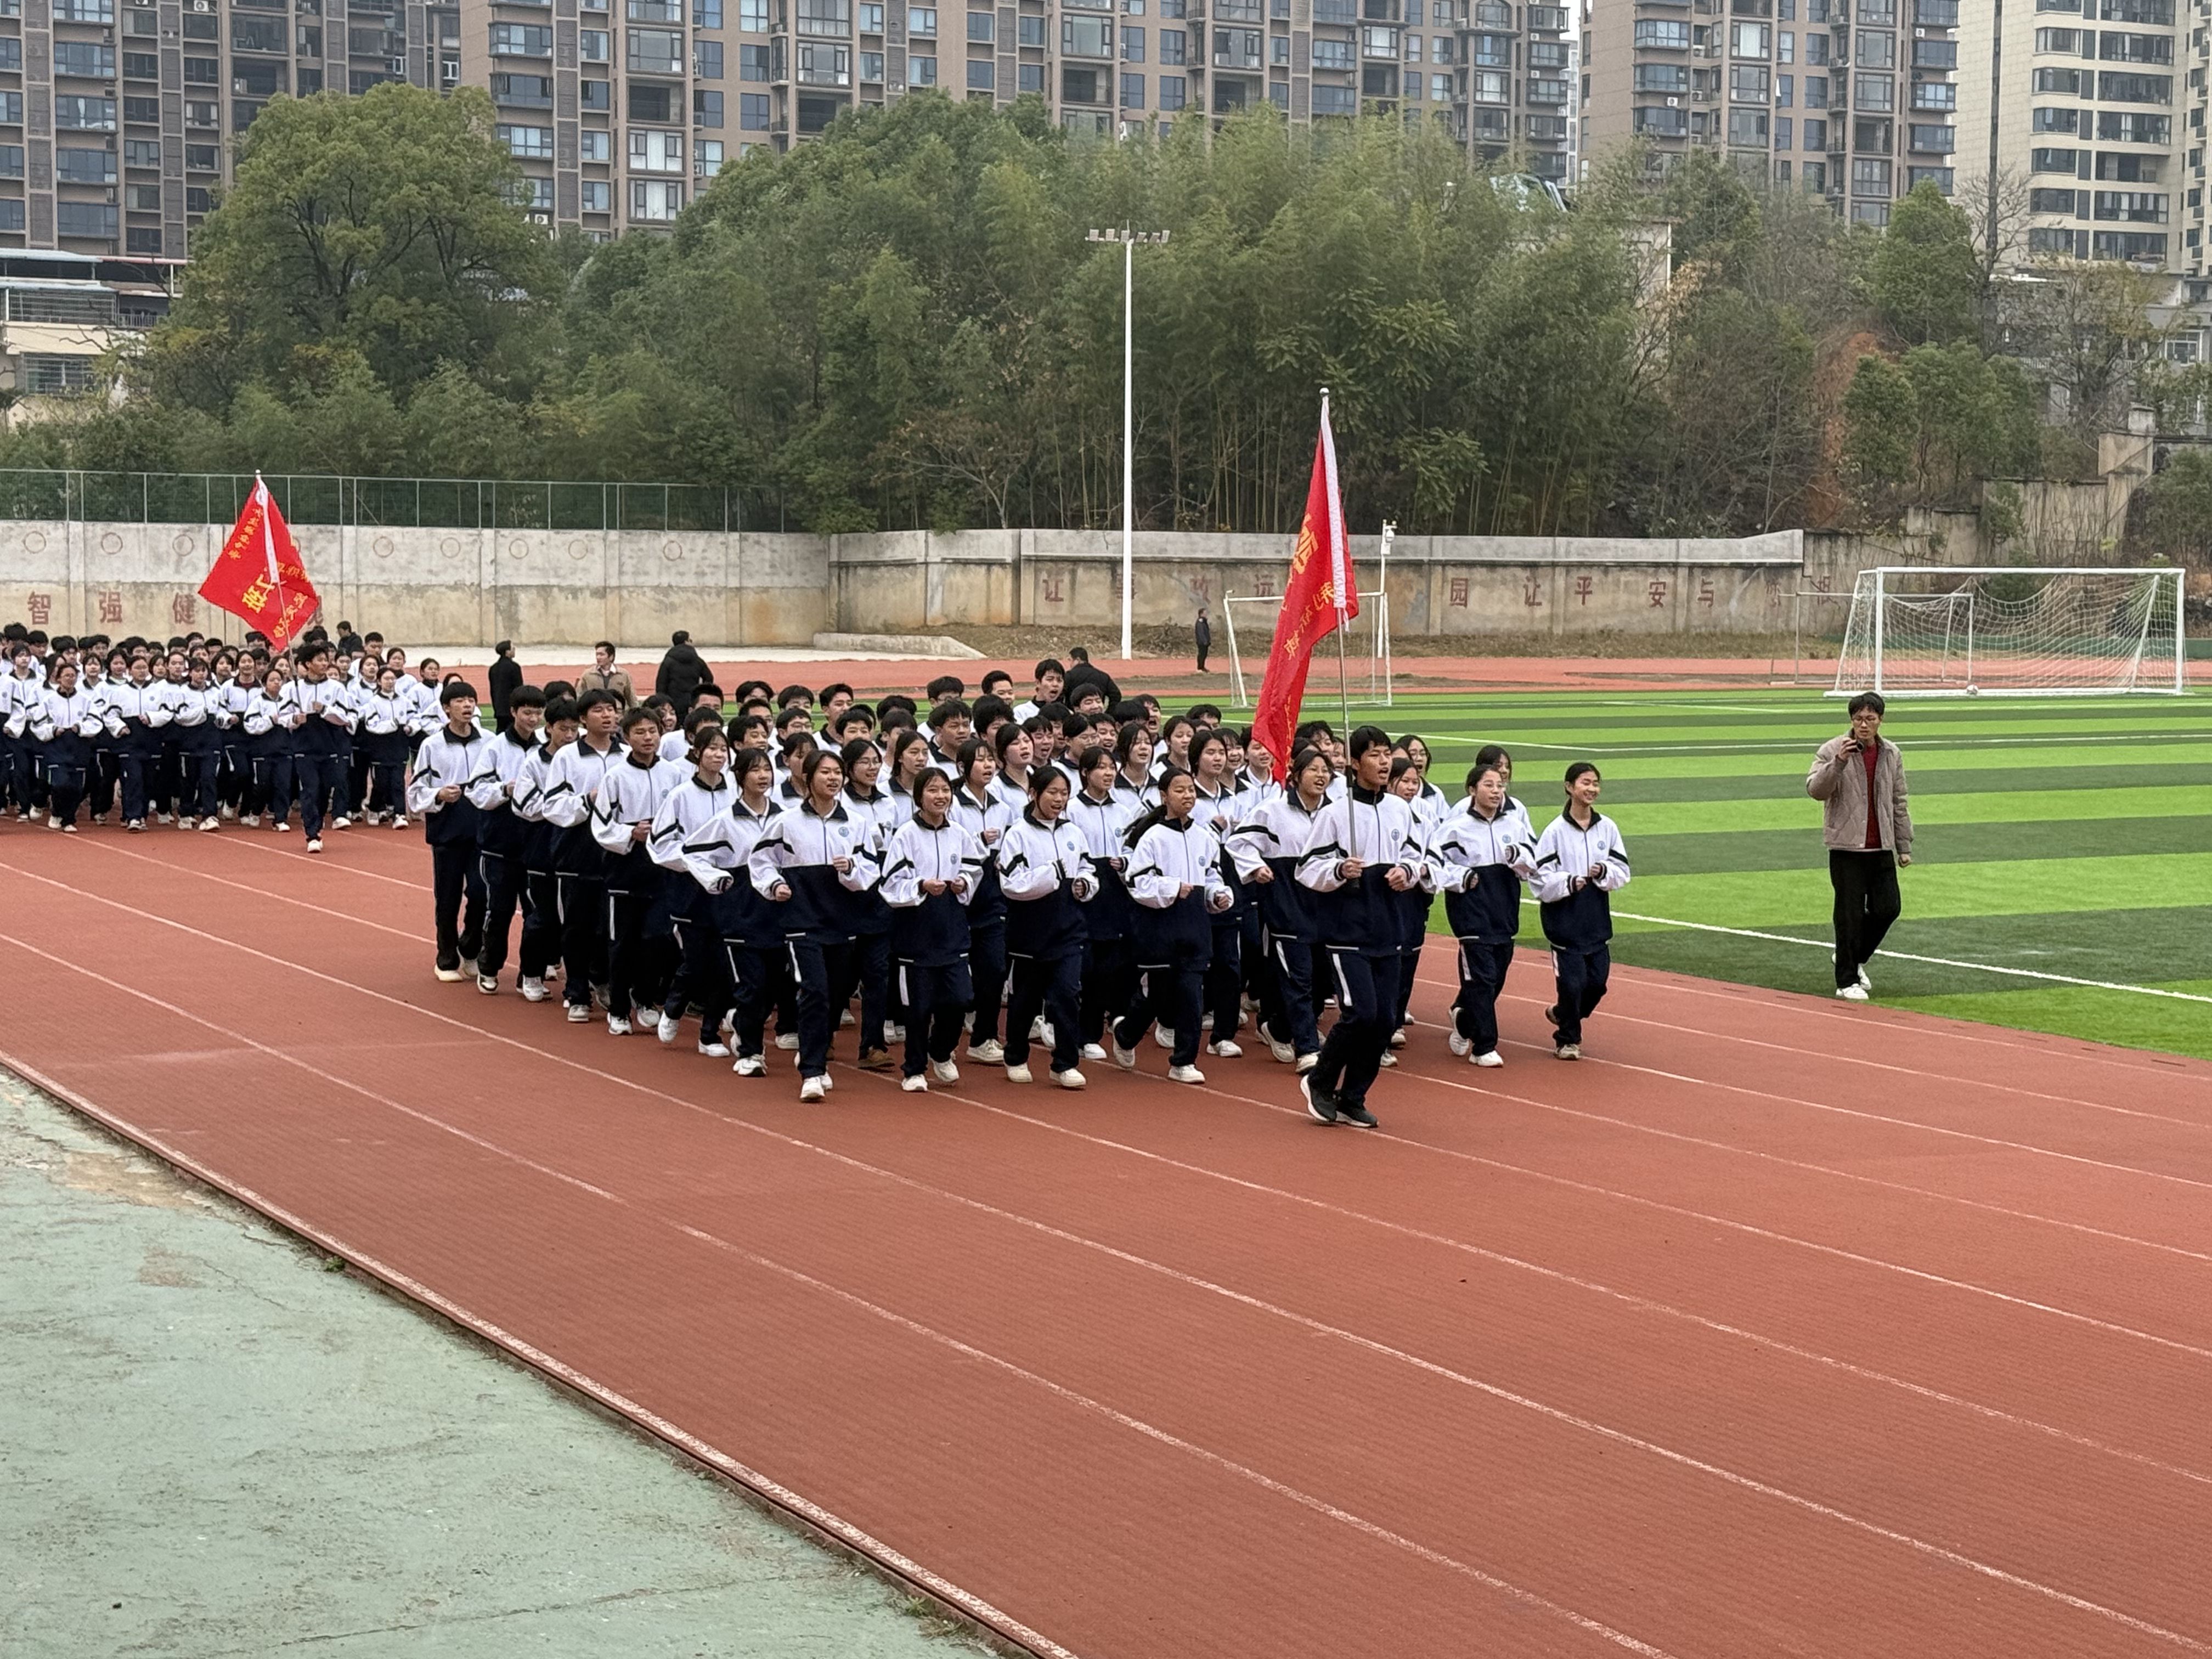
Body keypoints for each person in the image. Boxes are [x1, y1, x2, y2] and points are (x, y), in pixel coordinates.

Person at [1296, 726, 1426, 1129]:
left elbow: (1420, 856)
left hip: (1389, 928)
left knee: (1385, 1020)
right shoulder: (1336, 813)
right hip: (1347, 930)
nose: (1384, 762)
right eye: (1374, 755)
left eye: (1387, 754)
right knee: (1361, 1013)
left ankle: (1353, 1095)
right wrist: (1339, 870)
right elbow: (1307, 868)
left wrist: (1408, 871)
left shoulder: (1400, 810)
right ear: (1354, 763)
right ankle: (1319, 1080)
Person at [748, 748, 878, 1102]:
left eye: (837, 772)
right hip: (801, 921)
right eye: (825, 772)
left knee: (835, 994)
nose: (833, 779)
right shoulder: (787, 821)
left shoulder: (856, 823)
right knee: (815, 991)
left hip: (842, 921)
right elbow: (760, 860)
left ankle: (813, 1047)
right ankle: (813, 1071)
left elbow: (871, 869)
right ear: (808, 778)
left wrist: (852, 869)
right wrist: (775, 885)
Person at [681, 745, 787, 1076]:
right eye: (755, 770)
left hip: (779, 912)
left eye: (767, 769)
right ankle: (751, 1053)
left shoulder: (784, 817)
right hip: (741, 913)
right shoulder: (726, 820)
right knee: (750, 986)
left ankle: (742, 1022)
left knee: (774, 986)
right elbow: (692, 852)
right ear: (740, 776)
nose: (763, 776)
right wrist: (718, 880)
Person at [878, 766, 985, 1092]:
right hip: (916, 934)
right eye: (933, 790)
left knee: (961, 999)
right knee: (918, 1007)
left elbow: (974, 867)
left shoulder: (959, 833)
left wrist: (963, 881)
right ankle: (914, 1069)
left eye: (945, 790)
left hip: (952, 930)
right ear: (919, 796)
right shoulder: (906, 835)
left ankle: (940, 1050)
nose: (941, 796)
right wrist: (921, 885)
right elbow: (890, 883)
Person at [1807, 691, 1914, 1002]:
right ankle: (1846, 980)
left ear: (1881, 720)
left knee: (1888, 908)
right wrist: (1839, 762)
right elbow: (1816, 790)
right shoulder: (1832, 750)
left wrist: (1904, 844)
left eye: (1870, 719)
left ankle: (1852, 957)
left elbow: (1899, 801)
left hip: (1881, 847)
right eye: (1858, 719)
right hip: (1846, 848)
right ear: (1851, 721)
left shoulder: (1891, 754)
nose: (1864, 725)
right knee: (1849, 915)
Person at [997, 764, 1097, 1087]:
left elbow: (1087, 869)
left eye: (1064, 793)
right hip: (1030, 934)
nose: (1059, 799)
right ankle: (1016, 1056)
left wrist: (1084, 884)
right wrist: (1052, 874)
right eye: (1052, 792)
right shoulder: (1018, 834)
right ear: (1034, 794)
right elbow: (1012, 884)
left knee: (1067, 995)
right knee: (1025, 1000)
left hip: (1068, 930)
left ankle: (1065, 1063)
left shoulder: (1073, 833)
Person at [1429, 760, 1533, 1068]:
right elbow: (1435, 863)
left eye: (1500, 785)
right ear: (1472, 790)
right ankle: (1484, 1046)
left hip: (1504, 912)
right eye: (1489, 785)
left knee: (1494, 979)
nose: (1496, 791)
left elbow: (1534, 861)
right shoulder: (1456, 828)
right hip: (1471, 915)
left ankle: (1464, 1021)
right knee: (1483, 979)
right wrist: (1461, 877)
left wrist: (1519, 857)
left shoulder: (1514, 825)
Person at [591, 706, 687, 1036]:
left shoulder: (673, 774)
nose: (648, 738)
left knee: (658, 938)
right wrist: (630, 833)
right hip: (624, 871)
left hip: (661, 870)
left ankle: (644, 998)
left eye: (653, 732)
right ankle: (619, 1010)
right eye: (640, 732)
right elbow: (601, 826)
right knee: (622, 943)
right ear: (626, 736)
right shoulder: (615, 776)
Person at [1531, 762, 1630, 1060]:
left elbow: (1623, 871)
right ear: (1569, 787)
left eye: (1595, 783)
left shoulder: (1607, 827)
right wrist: (1568, 882)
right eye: (1585, 783)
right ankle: (1567, 1040)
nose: (1592, 789)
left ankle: (1563, 1013)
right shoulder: (1555, 831)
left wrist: (1604, 872)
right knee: (1571, 985)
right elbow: (1539, 879)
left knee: (1597, 985)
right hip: (1564, 922)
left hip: (1596, 919)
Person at [540, 689, 626, 1023]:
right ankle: (577, 992)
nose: (608, 716)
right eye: (599, 710)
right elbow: (552, 806)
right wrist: (587, 801)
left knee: (609, 927)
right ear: (583, 718)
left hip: (616, 854)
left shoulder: (626, 755)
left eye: (612, 710)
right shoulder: (567, 757)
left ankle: (601, 979)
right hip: (576, 853)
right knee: (577, 926)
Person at [407, 680, 492, 983]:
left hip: (481, 829)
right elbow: (416, 791)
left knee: (481, 892)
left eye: (471, 700)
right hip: (447, 831)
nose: (467, 706)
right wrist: (439, 794)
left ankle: (470, 948)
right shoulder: (432, 745)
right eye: (460, 701)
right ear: (446, 708)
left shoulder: (489, 741)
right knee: (448, 897)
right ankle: (446, 958)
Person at [655, 630, 709, 706]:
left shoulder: (668, 661)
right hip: (693, 700)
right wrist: (701, 693)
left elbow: (661, 684)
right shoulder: (698, 661)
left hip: (673, 701)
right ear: (686, 642)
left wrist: (663, 702)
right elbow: (709, 678)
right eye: (690, 640)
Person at [577, 641, 636, 707]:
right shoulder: (588, 674)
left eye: (602, 655)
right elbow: (580, 696)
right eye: (597, 655)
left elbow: (631, 697)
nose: (598, 657)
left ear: (611, 657)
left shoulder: (623, 674)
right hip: (596, 710)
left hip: (618, 711)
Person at [487, 640, 524, 734]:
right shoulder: (514, 667)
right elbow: (519, 689)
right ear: (507, 652)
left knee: (500, 733)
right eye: (512, 648)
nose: (514, 650)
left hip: (499, 708)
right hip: (512, 708)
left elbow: (493, 690)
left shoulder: (493, 668)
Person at [1194, 606, 1211, 673]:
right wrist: (1204, 641)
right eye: (1205, 613)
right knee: (1201, 654)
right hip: (1202, 642)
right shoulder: (1200, 622)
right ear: (1201, 614)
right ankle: (1200, 668)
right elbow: (1201, 633)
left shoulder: (1204, 622)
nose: (1206, 614)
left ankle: (1203, 667)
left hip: (1205, 641)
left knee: (1204, 654)